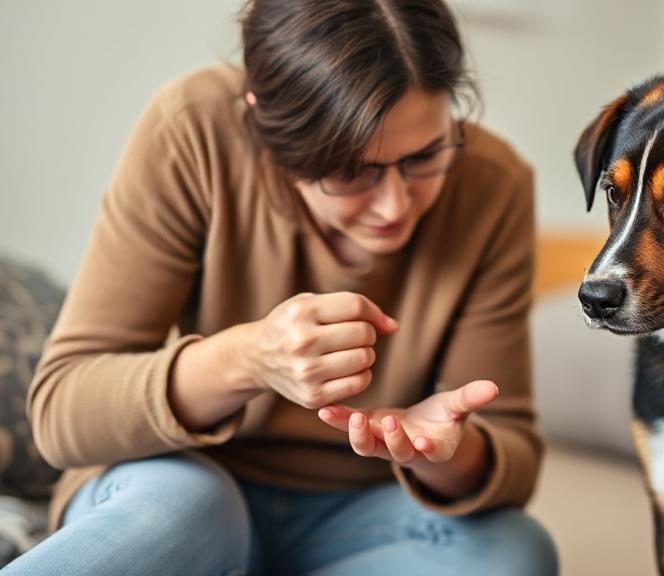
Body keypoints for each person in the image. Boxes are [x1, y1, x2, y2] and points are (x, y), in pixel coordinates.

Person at [6, 0, 558, 574]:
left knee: (514, 551)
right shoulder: (192, 129)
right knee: (191, 511)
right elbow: (59, 414)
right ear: (264, 126)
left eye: (425, 156)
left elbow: (511, 456)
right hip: (187, 478)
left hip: (365, 511)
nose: (395, 205)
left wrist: (443, 450)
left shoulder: (494, 185)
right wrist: (245, 359)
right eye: (351, 171)